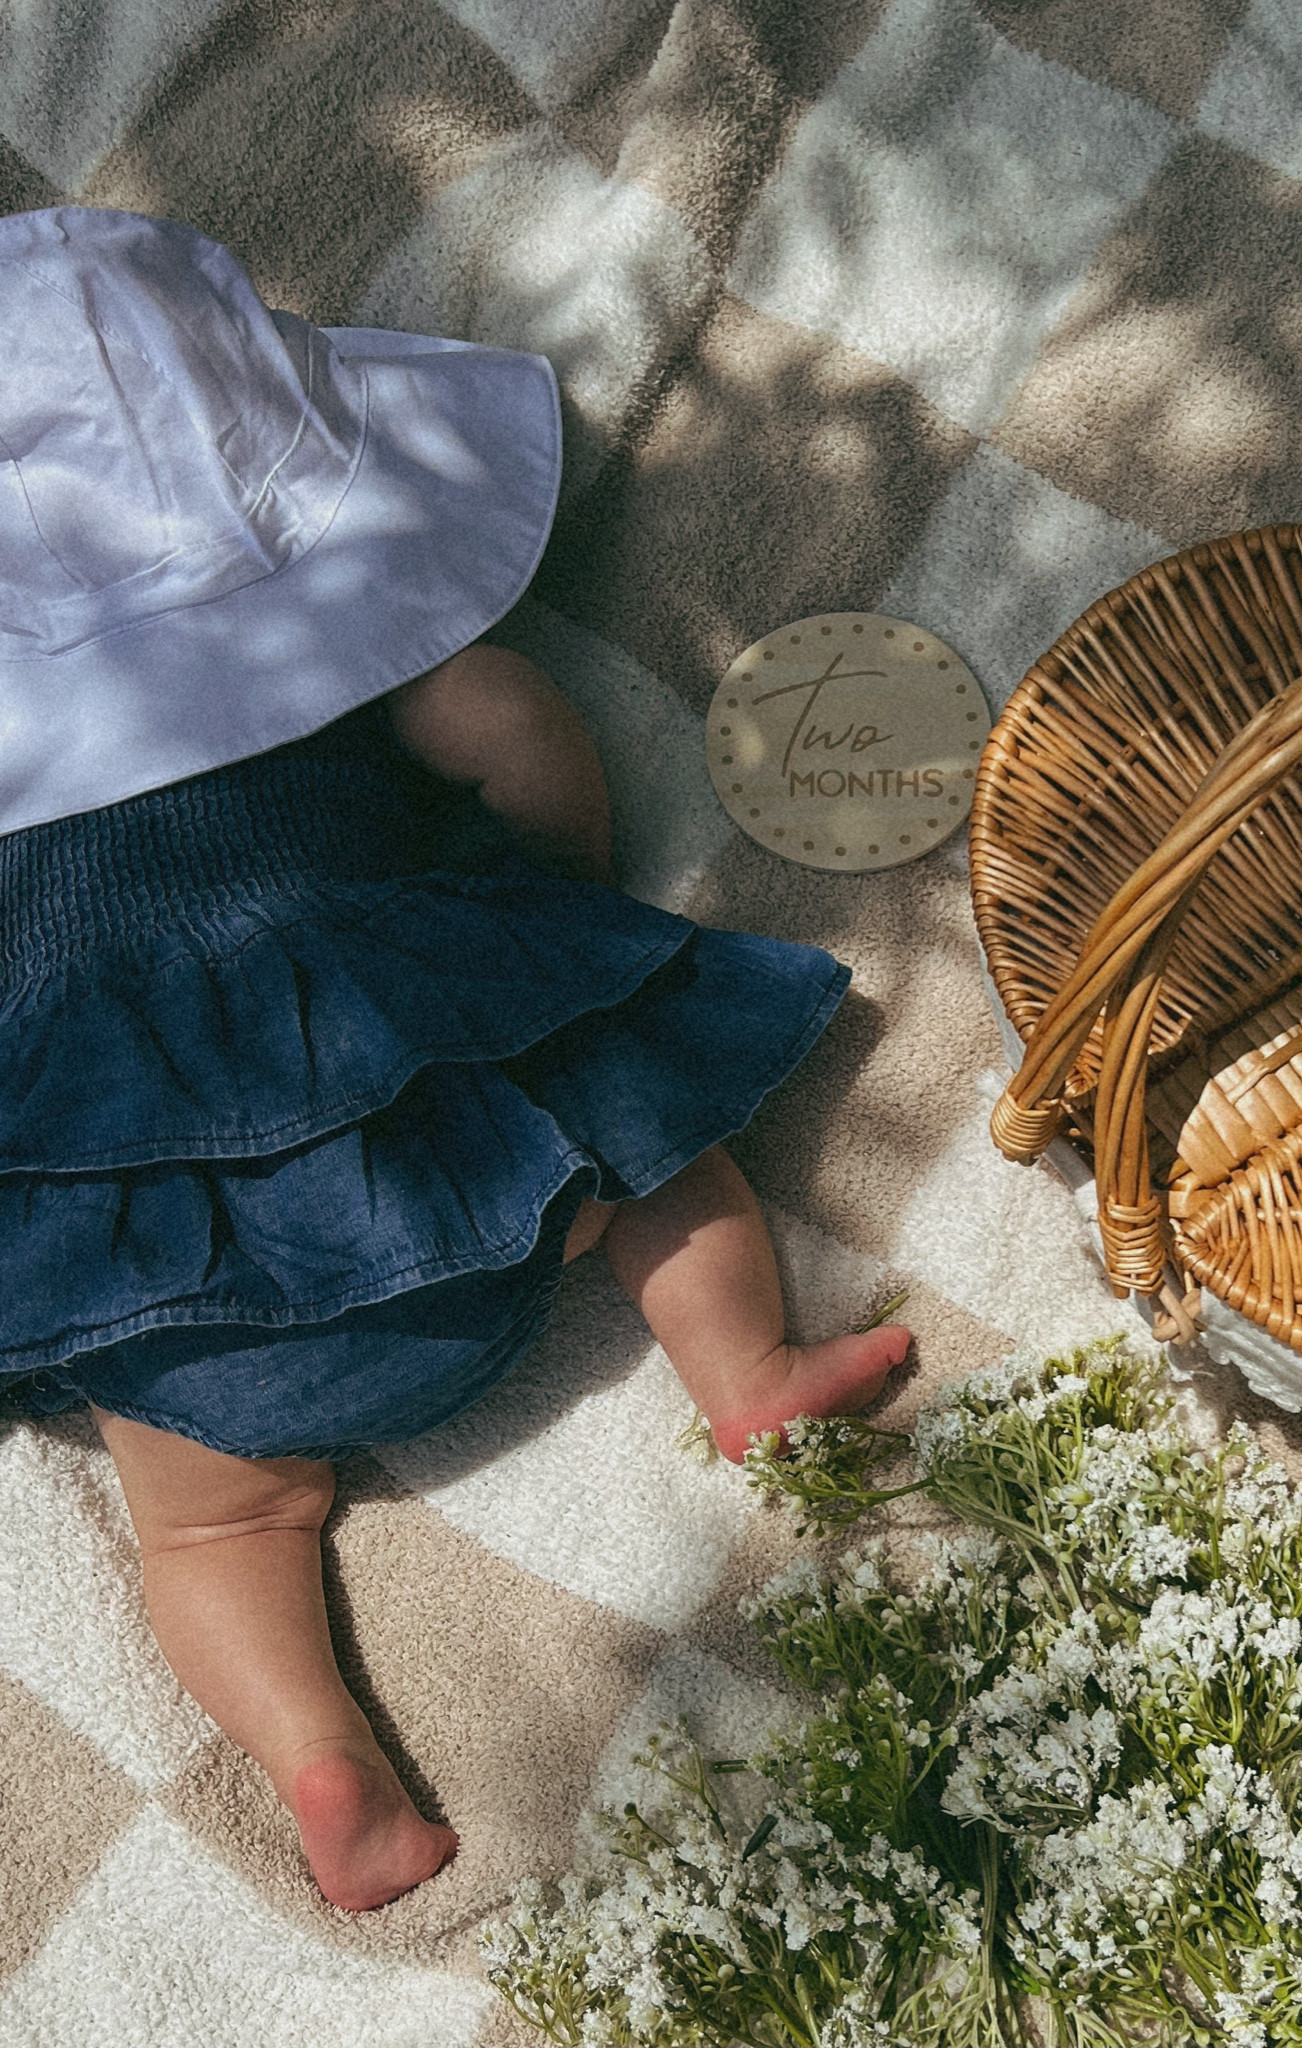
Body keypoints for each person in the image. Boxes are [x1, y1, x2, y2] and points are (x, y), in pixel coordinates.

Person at [0, 208, 909, 1912]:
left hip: (190, 1317)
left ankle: (320, 1761)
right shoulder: (320, 652)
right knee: (653, 1143)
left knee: (211, 1529)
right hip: (492, 1176)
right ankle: (747, 1375)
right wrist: (551, 923)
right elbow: (510, 728)